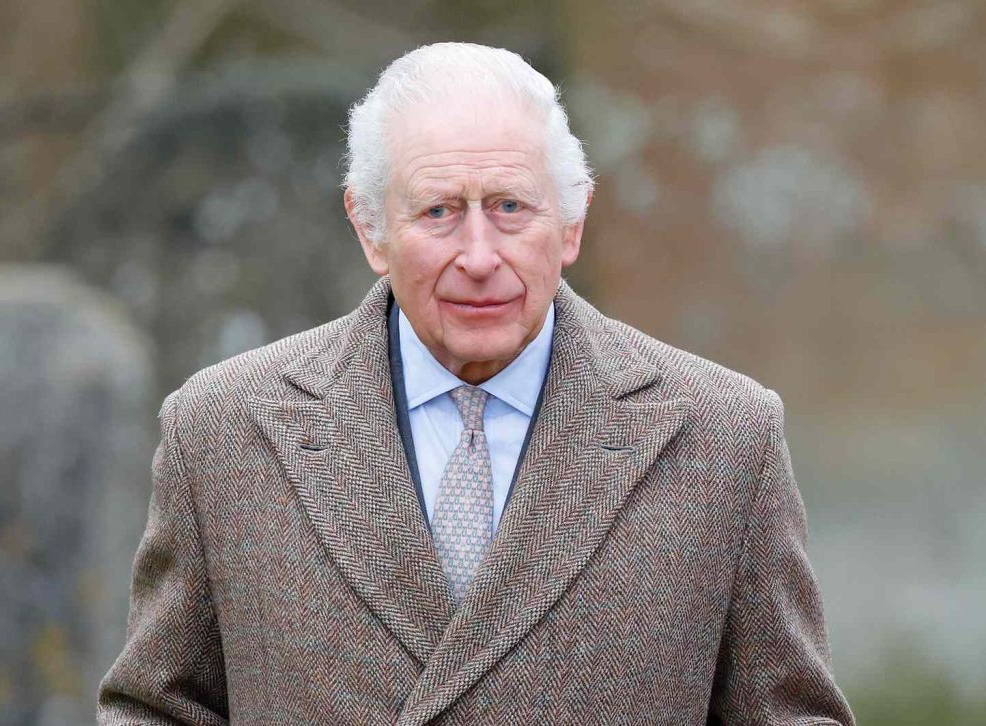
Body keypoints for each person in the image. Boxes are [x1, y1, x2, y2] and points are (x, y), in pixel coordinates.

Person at [98, 43, 854, 725]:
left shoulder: (724, 437)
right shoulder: (222, 429)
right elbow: (155, 707)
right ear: (369, 229)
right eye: (439, 212)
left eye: (510, 207)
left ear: (571, 224)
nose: (480, 256)